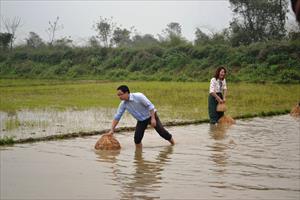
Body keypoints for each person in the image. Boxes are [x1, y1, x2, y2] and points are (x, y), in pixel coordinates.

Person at [107, 85, 175, 148]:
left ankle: (173, 144)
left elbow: (150, 106)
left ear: (127, 93)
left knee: (162, 132)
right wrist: (112, 129)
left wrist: (153, 119)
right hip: (141, 120)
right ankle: (139, 154)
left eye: (120, 94)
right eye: (118, 95)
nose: (119, 97)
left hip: (151, 115)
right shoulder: (123, 104)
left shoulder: (139, 96)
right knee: (137, 139)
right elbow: (117, 117)